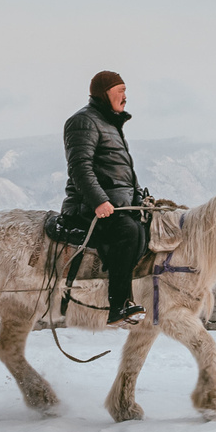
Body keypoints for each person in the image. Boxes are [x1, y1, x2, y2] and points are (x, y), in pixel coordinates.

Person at [61, 70, 148, 323]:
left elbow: (124, 173)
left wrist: (140, 198)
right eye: (120, 90)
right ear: (104, 93)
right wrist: (98, 201)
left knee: (144, 228)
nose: (125, 96)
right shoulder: (83, 121)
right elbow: (80, 168)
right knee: (127, 232)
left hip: (118, 205)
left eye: (125, 91)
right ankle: (118, 307)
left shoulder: (111, 124)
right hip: (87, 206)